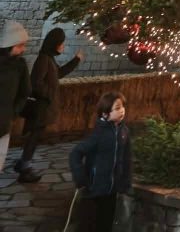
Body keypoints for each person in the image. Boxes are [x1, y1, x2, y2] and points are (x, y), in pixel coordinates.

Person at [15, 27, 83, 180]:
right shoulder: (44, 59)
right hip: (41, 107)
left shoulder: (49, 58)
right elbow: (35, 83)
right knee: (34, 136)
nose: (62, 46)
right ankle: (25, 167)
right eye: (61, 43)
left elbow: (59, 73)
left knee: (35, 136)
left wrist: (76, 60)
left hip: (44, 107)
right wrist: (50, 95)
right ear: (54, 43)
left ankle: (23, 163)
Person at [69, 91, 131, 231]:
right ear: (105, 113)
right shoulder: (99, 134)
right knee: (90, 224)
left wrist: (125, 182)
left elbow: (127, 158)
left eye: (122, 107)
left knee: (106, 223)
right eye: (117, 108)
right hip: (95, 189)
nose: (122, 111)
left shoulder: (124, 131)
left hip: (112, 189)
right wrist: (80, 178)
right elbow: (75, 154)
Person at [0, 21, 31, 176]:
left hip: (4, 123)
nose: (23, 49)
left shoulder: (20, 65)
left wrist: (13, 113)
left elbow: (25, 92)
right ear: (9, 44)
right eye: (20, 45)